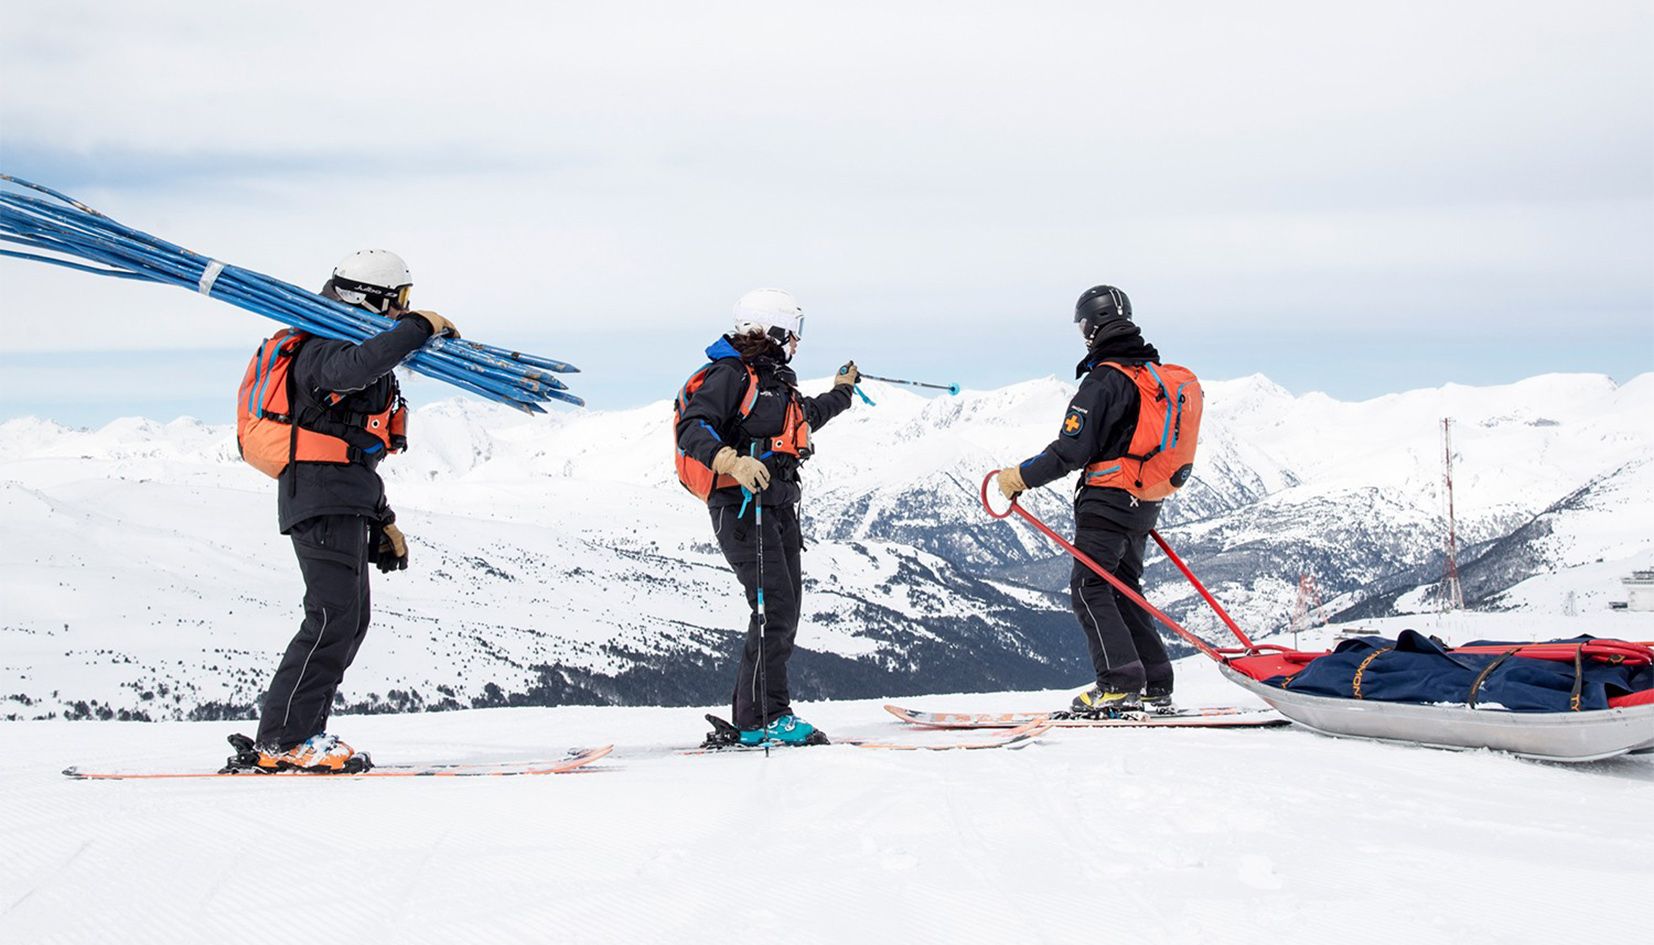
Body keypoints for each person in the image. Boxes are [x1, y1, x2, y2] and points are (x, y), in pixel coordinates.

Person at [230, 249, 458, 773]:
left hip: (342, 495)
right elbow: (353, 371)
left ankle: (300, 733)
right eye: (399, 301)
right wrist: (419, 328)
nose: (402, 310)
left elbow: (356, 450)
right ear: (370, 298)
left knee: (349, 621)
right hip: (318, 494)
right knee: (331, 617)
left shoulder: (349, 345)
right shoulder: (325, 343)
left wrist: (383, 520)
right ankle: (285, 739)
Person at [996, 285, 1201, 718]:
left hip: (1107, 498)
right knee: (1124, 587)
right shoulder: (1150, 375)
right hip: (1145, 498)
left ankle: (1118, 683)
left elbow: (1071, 450)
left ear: (1092, 325)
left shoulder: (1105, 379)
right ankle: (1155, 680)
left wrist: (1019, 477)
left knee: (1090, 587)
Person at [674, 288, 858, 746]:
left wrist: (843, 393)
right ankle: (764, 718)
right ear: (772, 329)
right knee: (773, 607)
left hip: (776, 505)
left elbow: (805, 416)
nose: (797, 340)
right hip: (741, 508)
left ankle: (755, 716)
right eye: (793, 330)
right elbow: (692, 426)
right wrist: (731, 461)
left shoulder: (773, 380)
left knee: (783, 607)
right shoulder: (730, 374)